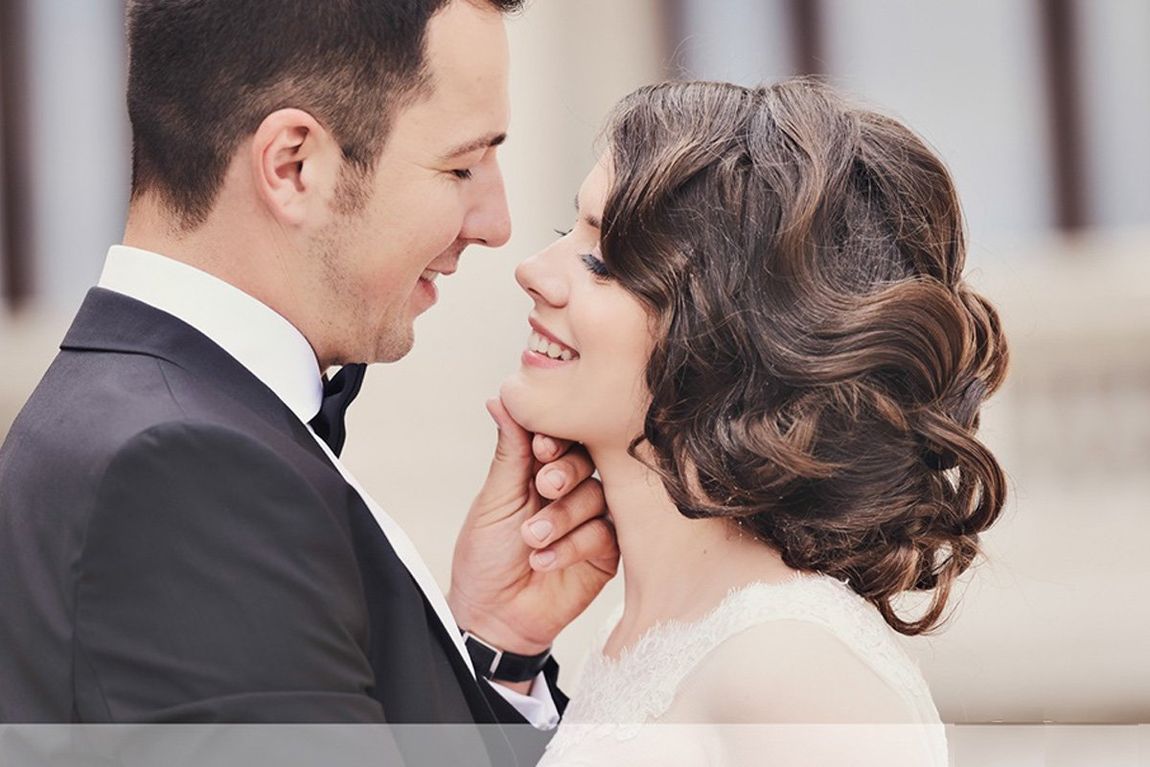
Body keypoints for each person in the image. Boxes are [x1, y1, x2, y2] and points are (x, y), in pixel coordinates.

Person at [0, 0, 619, 759]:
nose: (495, 223)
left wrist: (494, 647)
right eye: (460, 165)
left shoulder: (146, 417)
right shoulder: (181, 472)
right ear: (293, 164)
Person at [499, 78, 1009, 766]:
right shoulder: (633, 642)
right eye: (569, 233)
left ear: (723, 331)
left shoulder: (789, 668)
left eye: (600, 259)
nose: (533, 271)